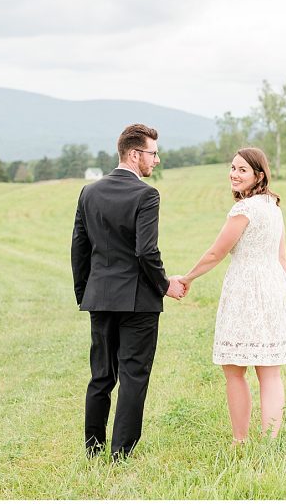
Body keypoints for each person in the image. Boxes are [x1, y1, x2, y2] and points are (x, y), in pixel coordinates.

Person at [70, 123, 187, 460]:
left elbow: (79, 249)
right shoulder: (146, 195)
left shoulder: (88, 193)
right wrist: (165, 285)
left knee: (101, 376)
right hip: (138, 302)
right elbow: (146, 252)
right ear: (135, 154)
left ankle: (93, 450)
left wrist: (86, 294)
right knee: (134, 375)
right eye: (153, 153)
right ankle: (121, 453)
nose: (158, 160)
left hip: (100, 298)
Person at [179, 147, 286, 442]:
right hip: (274, 287)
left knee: (235, 372)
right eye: (233, 168)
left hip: (246, 291)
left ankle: (240, 440)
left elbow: (215, 254)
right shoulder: (273, 207)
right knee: (269, 373)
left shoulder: (243, 210)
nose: (234, 174)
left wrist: (187, 278)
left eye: (242, 170)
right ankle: (270, 442)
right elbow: (282, 258)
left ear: (258, 175)